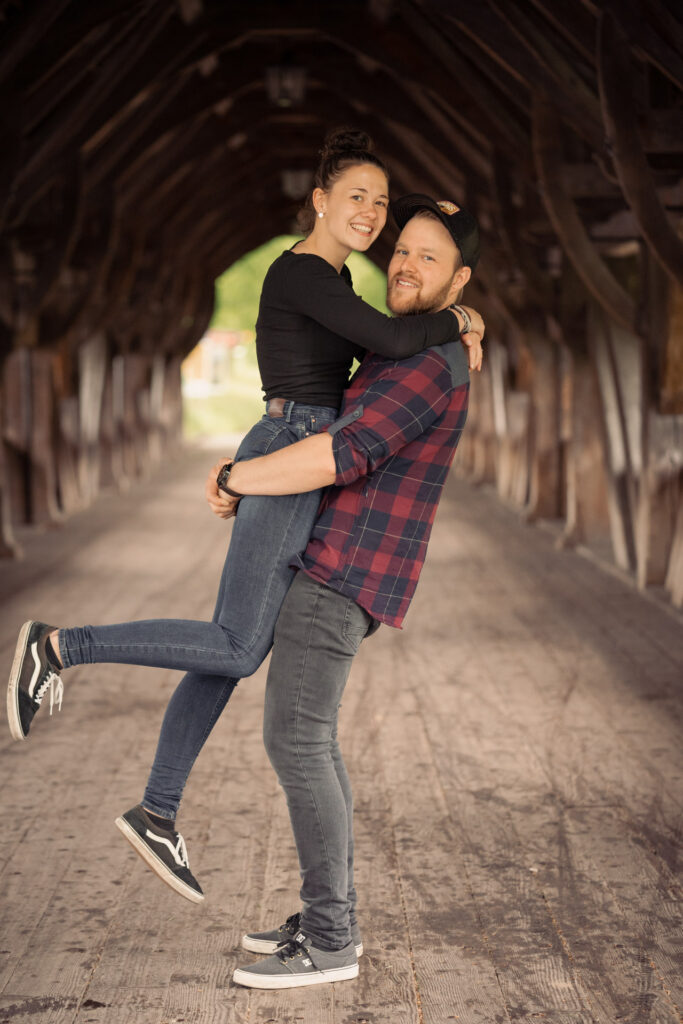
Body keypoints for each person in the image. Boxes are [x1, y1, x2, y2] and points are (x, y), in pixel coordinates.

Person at [7, 133, 484, 898]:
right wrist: (461, 318)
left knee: (233, 646)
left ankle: (158, 809)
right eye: (355, 195)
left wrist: (459, 320)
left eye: (381, 203)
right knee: (233, 643)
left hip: (297, 439)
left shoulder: (334, 284)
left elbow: (384, 347)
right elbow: (398, 339)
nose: (370, 213)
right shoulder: (302, 271)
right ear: (320, 200)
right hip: (294, 439)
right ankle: (60, 647)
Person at [199, 193, 481, 989]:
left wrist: (235, 476)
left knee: (297, 742)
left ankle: (329, 943)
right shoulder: (409, 346)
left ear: (457, 280)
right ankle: (331, 918)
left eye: (429, 255)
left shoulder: (429, 362)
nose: (405, 262)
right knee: (310, 743)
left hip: (343, 573)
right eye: (402, 248)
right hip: (333, 561)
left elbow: (343, 453)